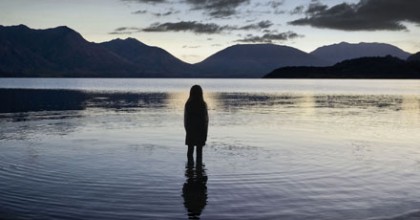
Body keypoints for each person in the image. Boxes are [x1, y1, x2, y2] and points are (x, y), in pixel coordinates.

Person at [184, 85, 208, 162]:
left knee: (190, 152)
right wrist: (205, 135)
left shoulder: (188, 104)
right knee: (199, 153)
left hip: (190, 131)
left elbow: (186, 120)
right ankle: (199, 171)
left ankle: (189, 171)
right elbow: (205, 121)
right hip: (200, 131)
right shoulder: (203, 104)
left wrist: (187, 131)